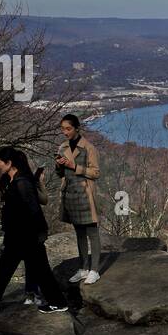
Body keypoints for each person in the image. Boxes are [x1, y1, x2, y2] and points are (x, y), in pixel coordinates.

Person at [0, 147, 68, 313]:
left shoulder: (22, 183)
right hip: (17, 235)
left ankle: (58, 302)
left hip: (27, 236)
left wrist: (40, 233)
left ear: (9, 163)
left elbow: (34, 209)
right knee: (6, 268)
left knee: (40, 271)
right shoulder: (12, 180)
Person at [55, 114, 102, 285]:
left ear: (77, 128)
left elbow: (96, 173)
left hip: (84, 193)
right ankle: (83, 268)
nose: (65, 132)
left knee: (92, 232)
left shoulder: (88, 148)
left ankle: (94, 270)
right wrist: (59, 165)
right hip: (70, 195)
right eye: (63, 129)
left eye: (68, 129)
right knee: (79, 233)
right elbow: (60, 174)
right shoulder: (62, 147)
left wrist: (74, 166)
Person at [22, 162, 49, 306]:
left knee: (31, 262)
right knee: (36, 262)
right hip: (33, 227)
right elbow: (44, 200)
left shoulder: (19, 181)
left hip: (24, 227)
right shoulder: (27, 183)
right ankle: (35, 293)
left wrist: (39, 182)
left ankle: (32, 293)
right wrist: (40, 183)